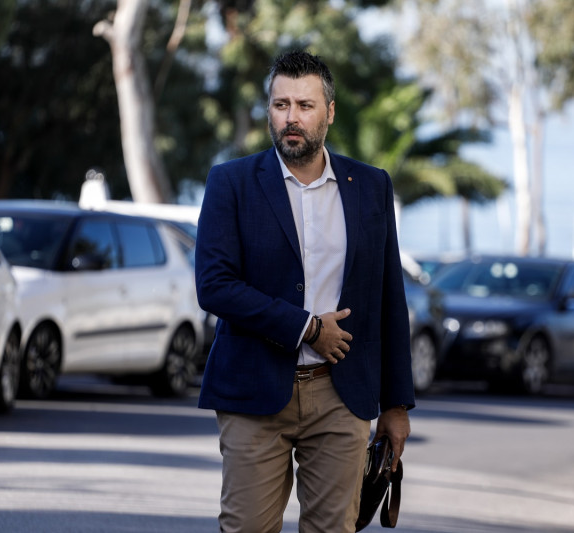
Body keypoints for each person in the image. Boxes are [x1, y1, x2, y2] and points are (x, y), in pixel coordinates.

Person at [195, 50, 414, 533]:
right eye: (281, 105)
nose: (291, 118)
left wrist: (396, 405)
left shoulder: (371, 186)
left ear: (329, 112)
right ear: (269, 111)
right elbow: (214, 286)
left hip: (342, 391)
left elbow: (388, 298)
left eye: (304, 105)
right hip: (253, 389)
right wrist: (308, 328)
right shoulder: (231, 182)